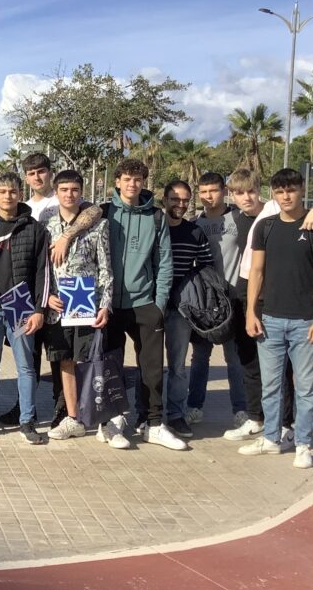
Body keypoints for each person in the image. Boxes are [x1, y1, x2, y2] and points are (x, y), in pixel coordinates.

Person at [223, 169, 313, 443]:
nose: (246, 197)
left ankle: (285, 423)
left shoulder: (275, 209)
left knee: (285, 371)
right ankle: (256, 418)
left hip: (278, 300)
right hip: (247, 291)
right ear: (232, 196)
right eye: (239, 193)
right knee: (249, 361)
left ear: (261, 190)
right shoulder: (234, 218)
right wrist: (248, 307)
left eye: (250, 191)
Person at [0, 153, 102, 427]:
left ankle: (62, 408)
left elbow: (95, 211)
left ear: (50, 174)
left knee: (60, 355)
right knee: (27, 355)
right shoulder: (24, 206)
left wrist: (67, 235)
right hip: (26, 291)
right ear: (25, 177)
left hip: (64, 294)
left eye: (41, 171)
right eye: (31, 173)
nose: (37, 177)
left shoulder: (64, 198)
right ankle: (24, 409)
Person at [99, 159, 184, 450]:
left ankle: (153, 423)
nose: (132, 184)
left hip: (145, 303)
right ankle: (112, 422)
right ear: (117, 181)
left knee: (151, 368)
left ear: (143, 183)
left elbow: (164, 263)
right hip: (110, 305)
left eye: (138, 179)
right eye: (127, 178)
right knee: (111, 366)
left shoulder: (156, 217)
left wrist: (159, 304)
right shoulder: (104, 212)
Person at [0, 172, 51, 444]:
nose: (7, 196)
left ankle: (27, 420)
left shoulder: (34, 229)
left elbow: (42, 272)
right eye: (2, 191)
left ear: (19, 194)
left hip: (21, 306)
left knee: (26, 367)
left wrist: (39, 309)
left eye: (12, 192)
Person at [43, 170, 112, 441]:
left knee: (89, 361)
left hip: (87, 303)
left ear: (80, 192)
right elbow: (41, 268)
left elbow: (106, 268)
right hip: (57, 306)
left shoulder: (98, 225)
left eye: (74, 189)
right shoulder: (45, 222)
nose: (69, 194)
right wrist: (46, 297)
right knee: (65, 361)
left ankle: (97, 415)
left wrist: (105, 305)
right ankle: (73, 418)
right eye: (64, 190)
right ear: (56, 192)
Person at [186, 172, 246, 425]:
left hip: (235, 300)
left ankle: (241, 410)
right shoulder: (195, 224)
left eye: (213, 190)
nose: (209, 196)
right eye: (203, 192)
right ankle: (194, 406)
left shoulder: (240, 218)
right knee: (200, 357)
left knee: (235, 359)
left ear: (224, 191)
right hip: (207, 304)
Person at [161, 180, 215, 440]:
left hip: (181, 311)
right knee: (145, 364)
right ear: (165, 200)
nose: (180, 204)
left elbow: (206, 266)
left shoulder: (195, 232)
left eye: (184, 200)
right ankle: (144, 414)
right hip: (151, 307)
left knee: (178, 367)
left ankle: (175, 414)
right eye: (175, 199)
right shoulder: (154, 228)